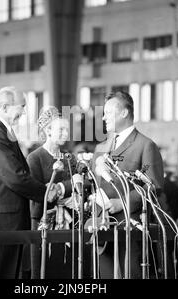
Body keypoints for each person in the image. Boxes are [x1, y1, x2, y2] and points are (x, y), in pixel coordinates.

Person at [0, 87, 59, 279]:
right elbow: (15, 176)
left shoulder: (0, 130)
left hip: (5, 220)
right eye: (21, 106)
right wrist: (45, 193)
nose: (24, 112)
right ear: (4, 107)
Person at [92, 91, 164, 279]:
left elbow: (154, 186)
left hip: (130, 229)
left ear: (124, 113)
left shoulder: (145, 145)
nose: (103, 117)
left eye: (108, 112)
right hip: (102, 227)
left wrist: (121, 203)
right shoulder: (103, 147)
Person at [27, 106, 80, 279]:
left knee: (63, 268)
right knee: (42, 267)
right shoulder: (35, 158)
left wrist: (61, 189)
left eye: (67, 130)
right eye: (61, 130)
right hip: (43, 221)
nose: (66, 134)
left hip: (68, 220)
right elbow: (37, 193)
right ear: (48, 130)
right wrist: (67, 187)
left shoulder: (69, 157)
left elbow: (82, 181)